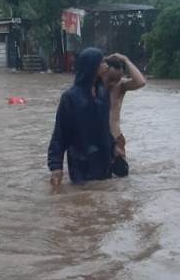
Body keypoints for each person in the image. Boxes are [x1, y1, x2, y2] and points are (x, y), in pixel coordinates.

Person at [48, 48, 115, 186]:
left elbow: (105, 126)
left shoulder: (103, 92)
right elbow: (60, 133)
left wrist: (114, 148)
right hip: (80, 160)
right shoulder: (70, 97)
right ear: (92, 65)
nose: (107, 65)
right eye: (102, 62)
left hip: (104, 158)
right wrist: (56, 166)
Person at [102, 53, 147, 177]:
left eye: (117, 78)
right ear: (103, 72)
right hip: (98, 140)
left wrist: (126, 60)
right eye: (111, 78)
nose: (113, 83)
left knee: (121, 178)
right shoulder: (93, 88)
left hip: (116, 138)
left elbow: (141, 82)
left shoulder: (121, 86)